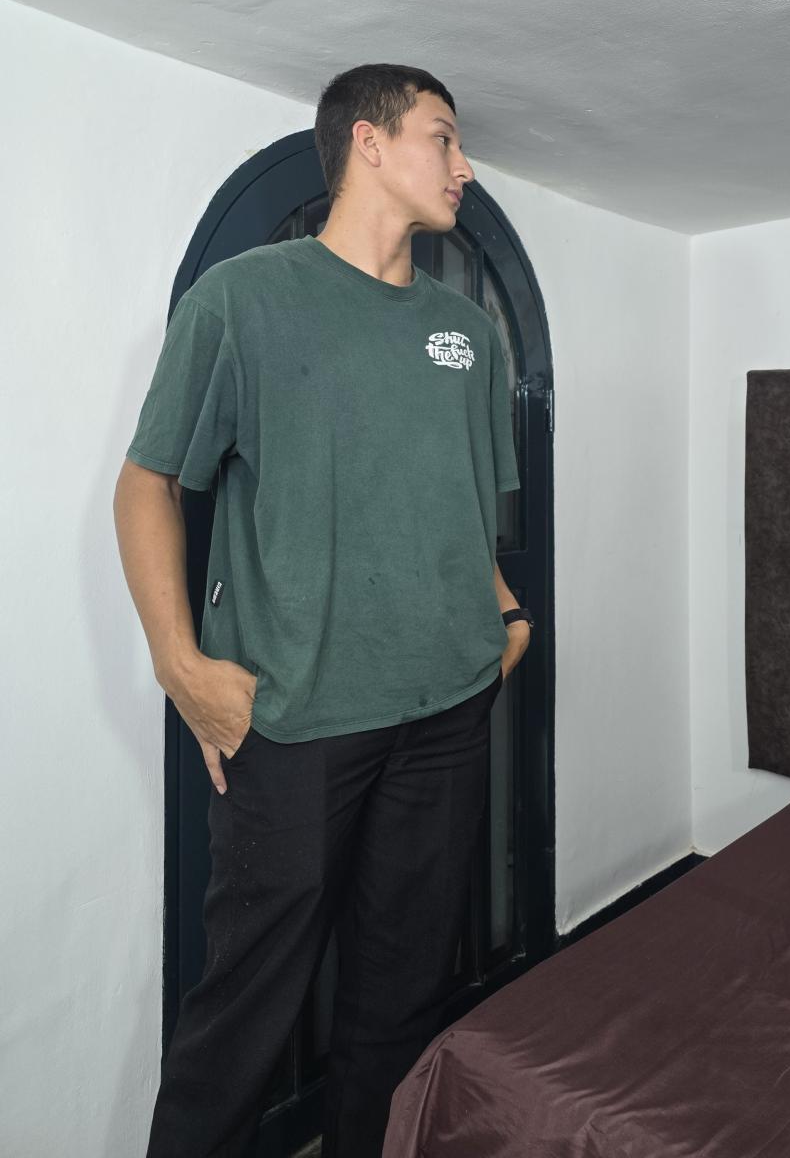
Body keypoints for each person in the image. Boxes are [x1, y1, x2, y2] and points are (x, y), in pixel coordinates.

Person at [113, 64, 532, 1157]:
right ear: (368, 142)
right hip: (296, 720)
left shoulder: (468, 333)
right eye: (444, 138)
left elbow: (463, 511)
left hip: (447, 713)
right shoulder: (245, 299)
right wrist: (181, 666)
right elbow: (147, 484)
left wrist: (506, 621)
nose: (464, 166)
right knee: (245, 1010)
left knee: (399, 998)